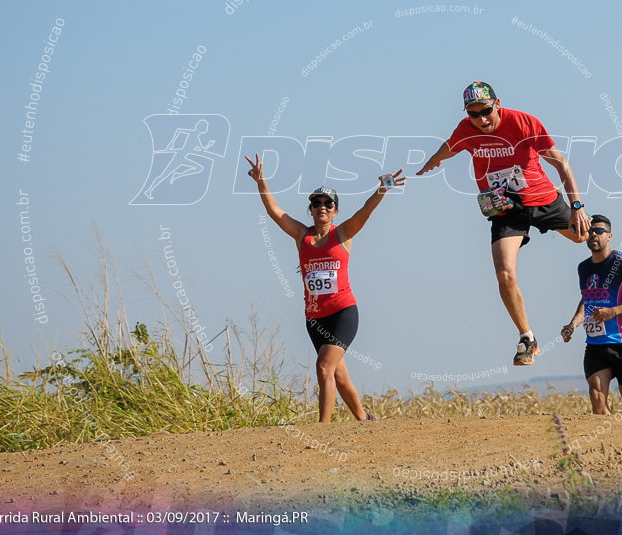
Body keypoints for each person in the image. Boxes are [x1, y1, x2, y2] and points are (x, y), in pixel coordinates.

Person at [416, 81, 590, 365]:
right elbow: (449, 147)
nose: (481, 120)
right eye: (473, 114)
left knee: (583, 236)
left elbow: (561, 164)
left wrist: (577, 206)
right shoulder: (466, 129)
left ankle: (589, 227)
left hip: (542, 198)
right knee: (505, 274)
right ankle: (527, 338)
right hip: (505, 207)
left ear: (498, 104)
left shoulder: (523, 123)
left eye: (486, 111)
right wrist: (433, 160)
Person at [245, 153, 405, 423]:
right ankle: (366, 420)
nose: (322, 206)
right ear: (311, 209)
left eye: (328, 203)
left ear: (335, 210)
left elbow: (364, 211)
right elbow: (275, 211)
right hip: (314, 318)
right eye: (316, 203)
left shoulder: (342, 233)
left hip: (343, 312)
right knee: (338, 375)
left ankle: (323, 428)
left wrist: (381, 189)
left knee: (322, 367)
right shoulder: (301, 235)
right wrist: (262, 182)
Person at [560, 214, 622, 416]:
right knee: (597, 396)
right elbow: (587, 299)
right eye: (590, 231)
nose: (593, 235)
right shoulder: (583, 268)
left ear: (610, 236)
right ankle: (606, 444)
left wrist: (613, 312)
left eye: (599, 231)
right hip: (596, 344)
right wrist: (573, 324)